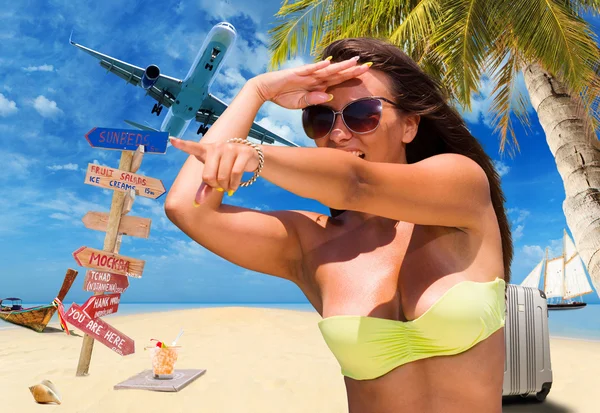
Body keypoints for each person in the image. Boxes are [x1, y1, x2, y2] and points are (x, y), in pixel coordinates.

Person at [165, 37, 513, 413]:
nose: (339, 133)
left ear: (409, 125)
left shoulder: (462, 189)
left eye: (363, 113)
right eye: (320, 118)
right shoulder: (310, 245)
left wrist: (255, 154)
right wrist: (257, 91)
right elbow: (188, 207)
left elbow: (357, 183)